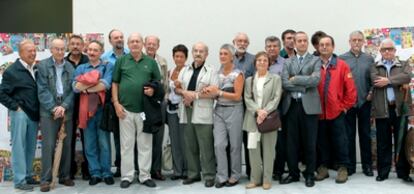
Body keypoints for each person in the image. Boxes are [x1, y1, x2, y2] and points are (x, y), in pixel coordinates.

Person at [112, 33, 160, 189]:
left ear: (142, 44)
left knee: (145, 144)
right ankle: (127, 176)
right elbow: (115, 83)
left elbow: (157, 84)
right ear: (128, 43)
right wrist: (116, 104)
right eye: (132, 41)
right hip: (125, 110)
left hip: (145, 111)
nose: (134, 44)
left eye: (137, 41)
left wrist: (153, 91)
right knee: (126, 145)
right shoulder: (121, 61)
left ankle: (145, 176)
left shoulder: (151, 62)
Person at [279, 31, 322, 187]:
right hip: (291, 106)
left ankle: (309, 174)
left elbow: (316, 80)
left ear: (307, 43)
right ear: (294, 43)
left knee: (310, 142)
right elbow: (284, 83)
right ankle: (293, 173)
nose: (302, 43)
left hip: (309, 107)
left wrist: (296, 79)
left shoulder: (315, 60)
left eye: (305, 40)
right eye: (299, 41)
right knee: (292, 143)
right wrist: (305, 84)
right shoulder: (288, 62)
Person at [174, 42, 218, 187]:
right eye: (196, 51)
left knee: (206, 146)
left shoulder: (211, 71)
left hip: (203, 112)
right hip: (187, 110)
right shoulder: (184, 70)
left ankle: (209, 175)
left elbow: (213, 92)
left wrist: (194, 96)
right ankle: (193, 174)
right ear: (192, 53)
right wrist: (184, 93)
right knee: (190, 145)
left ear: (206, 54)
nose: (198, 53)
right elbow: (177, 89)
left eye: (201, 51)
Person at [315, 35, 356, 184]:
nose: (324, 47)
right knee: (321, 142)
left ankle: (343, 168)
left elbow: (351, 90)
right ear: (318, 47)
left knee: (341, 141)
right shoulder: (314, 65)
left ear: (333, 47)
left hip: (336, 111)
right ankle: (323, 168)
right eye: (322, 45)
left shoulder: (342, 65)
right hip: (318, 112)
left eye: (327, 44)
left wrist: (344, 107)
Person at [72, 40, 114, 186]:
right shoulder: (81, 68)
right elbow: (76, 87)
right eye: (89, 49)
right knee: (89, 144)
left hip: (102, 110)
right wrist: (94, 84)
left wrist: (86, 87)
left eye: (95, 50)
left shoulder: (108, 66)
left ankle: (106, 172)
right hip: (85, 112)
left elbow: (106, 84)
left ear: (101, 52)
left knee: (104, 143)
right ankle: (95, 173)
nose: (92, 52)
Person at [370, 38, 413, 182]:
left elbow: (407, 77)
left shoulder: (404, 64)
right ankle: (383, 172)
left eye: (390, 49)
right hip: (382, 109)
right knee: (383, 142)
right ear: (380, 51)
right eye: (384, 49)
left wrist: (388, 81)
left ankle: (403, 172)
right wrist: (396, 80)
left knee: (401, 140)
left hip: (400, 109)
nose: (387, 51)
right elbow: (375, 80)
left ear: (395, 51)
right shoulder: (375, 66)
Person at [0, 39, 40, 191]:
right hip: (20, 114)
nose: (33, 53)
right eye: (29, 51)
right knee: (18, 147)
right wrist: (15, 107)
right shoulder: (12, 71)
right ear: (20, 53)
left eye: (34, 50)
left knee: (30, 147)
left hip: (34, 114)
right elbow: (2, 93)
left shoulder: (35, 68)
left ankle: (28, 175)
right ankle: (19, 180)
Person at [37, 38, 75, 192]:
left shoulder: (70, 66)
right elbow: (42, 89)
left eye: (62, 49)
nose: (60, 52)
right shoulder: (43, 65)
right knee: (48, 145)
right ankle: (46, 179)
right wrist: (54, 108)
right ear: (51, 49)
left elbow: (73, 90)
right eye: (56, 49)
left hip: (67, 110)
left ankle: (65, 176)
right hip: (48, 111)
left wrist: (64, 106)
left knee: (66, 145)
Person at [205, 44, 244, 188]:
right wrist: (208, 91)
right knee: (219, 144)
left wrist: (219, 92)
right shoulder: (216, 73)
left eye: (225, 54)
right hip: (219, 111)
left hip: (234, 110)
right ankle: (221, 176)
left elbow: (237, 96)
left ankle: (235, 175)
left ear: (232, 56)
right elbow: (213, 92)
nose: (222, 56)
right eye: (220, 53)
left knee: (235, 145)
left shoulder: (238, 73)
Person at [243, 51, 282, 190]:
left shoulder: (275, 79)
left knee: (269, 151)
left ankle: (267, 179)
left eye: (265, 60)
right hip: (252, 120)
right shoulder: (249, 80)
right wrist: (258, 111)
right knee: (253, 150)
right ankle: (255, 179)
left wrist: (265, 112)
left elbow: (276, 98)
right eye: (259, 60)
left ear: (269, 63)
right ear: (255, 63)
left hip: (269, 119)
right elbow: (247, 98)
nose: (262, 62)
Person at [339, 30, 375, 176]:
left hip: (365, 102)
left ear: (363, 42)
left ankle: (367, 166)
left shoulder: (369, 59)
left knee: (365, 135)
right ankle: (350, 166)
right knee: (348, 135)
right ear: (349, 42)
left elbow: (374, 78)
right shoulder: (342, 59)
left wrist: (371, 92)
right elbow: (339, 82)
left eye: (359, 40)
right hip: (348, 105)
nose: (356, 43)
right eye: (354, 40)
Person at [101, 29, 129, 178]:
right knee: (118, 137)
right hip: (113, 103)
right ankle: (120, 166)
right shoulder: (104, 58)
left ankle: (131, 167)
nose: (119, 39)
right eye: (116, 37)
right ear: (110, 41)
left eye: (121, 37)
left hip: (131, 102)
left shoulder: (132, 55)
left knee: (131, 138)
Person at [65, 34, 90, 180]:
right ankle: (69, 170)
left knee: (87, 138)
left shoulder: (88, 61)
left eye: (78, 44)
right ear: (69, 45)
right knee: (69, 139)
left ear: (82, 46)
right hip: (68, 105)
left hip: (86, 104)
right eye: (72, 43)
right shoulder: (63, 61)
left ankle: (87, 169)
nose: (75, 46)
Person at [144, 35, 168, 180]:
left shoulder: (162, 62)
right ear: (144, 45)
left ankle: (156, 170)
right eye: (149, 44)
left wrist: (163, 98)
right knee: (143, 139)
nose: (151, 46)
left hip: (159, 104)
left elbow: (164, 82)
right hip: (143, 105)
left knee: (158, 139)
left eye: (154, 44)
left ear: (158, 46)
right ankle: (143, 170)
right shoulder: (138, 60)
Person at [232, 32, 255, 178]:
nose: (242, 43)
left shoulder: (253, 60)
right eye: (239, 41)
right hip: (230, 104)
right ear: (234, 42)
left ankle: (251, 171)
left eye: (245, 41)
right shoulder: (227, 57)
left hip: (247, 104)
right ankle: (232, 171)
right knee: (232, 140)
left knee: (249, 139)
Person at [167, 44, 188, 180]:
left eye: (181, 56)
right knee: (174, 141)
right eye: (176, 56)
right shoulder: (170, 71)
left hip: (184, 110)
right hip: (171, 110)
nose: (179, 59)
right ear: (173, 57)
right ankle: (177, 170)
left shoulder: (189, 71)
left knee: (185, 141)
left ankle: (187, 170)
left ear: (186, 58)